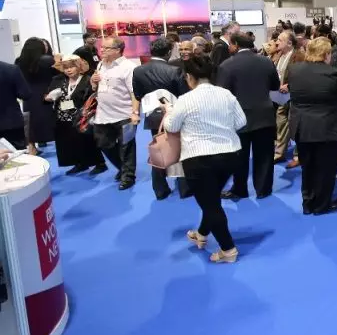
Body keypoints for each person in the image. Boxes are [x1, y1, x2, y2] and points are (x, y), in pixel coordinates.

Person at [162, 55, 247, 264]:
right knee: (211, 199)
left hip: (199, 158)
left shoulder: (185, 99)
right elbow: (241, 122)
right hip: (231, 154)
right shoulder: (226, 94)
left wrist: (168, 111)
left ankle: (228, 250)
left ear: (189, 77)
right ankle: (201, 234)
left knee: (210, 205)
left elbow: (172, 126)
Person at [287, 37, 337, 215]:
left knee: (307, 167)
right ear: (326, 54)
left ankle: (308, 203)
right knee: (326, 169)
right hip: (328, 128)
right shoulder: (333, 73)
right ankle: (321, 205)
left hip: (302, 127)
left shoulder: (294, 70)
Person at [217, 33, 281, 200]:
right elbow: (275, 85)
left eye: (230, 44)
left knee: (239, 157)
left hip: (238, 118)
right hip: (265, 115)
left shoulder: (226, 65)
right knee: (265, 155)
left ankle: (240, 189)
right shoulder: (266, 61)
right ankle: (263, 189)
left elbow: (221, 94)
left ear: (236, 45)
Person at [132, 37, 189, 199]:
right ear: (169, 52)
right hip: (175, 114)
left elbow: (138, 94)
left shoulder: (138, 71)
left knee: (158, 149)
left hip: (153, 117)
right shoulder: (175, 71)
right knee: (180, 150)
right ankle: (184, 188)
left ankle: (160, 189)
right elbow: (184, 95)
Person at [91, 37, 139, 190]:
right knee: (104, 144)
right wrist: (93, 82)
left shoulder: (129, 67)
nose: (102, 50)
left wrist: (135, 112)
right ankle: (123, 168)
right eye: (102, 47)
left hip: (125, 115)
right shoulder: (100, 64)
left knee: (127, 147)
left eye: (106, 48)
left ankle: (128, 176)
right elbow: (96, 88)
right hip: (102, 115)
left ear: (117, 50)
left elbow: (134, 92)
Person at [47, 56, 105, 175]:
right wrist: (50, 97)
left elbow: (92, 97)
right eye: (66, 68)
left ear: (79, 67)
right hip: (63, 116)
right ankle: (79, 164)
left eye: (72, 67)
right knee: (70, 142)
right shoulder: (59, 80)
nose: (68, 70)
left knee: (87, 141)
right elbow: (48, 97)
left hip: (82, 116)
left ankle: (99, 163)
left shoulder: (87, 80)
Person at [17, 38, 57, 156]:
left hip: (28, 96)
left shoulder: (19, 62)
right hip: (46, 93)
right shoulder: (47, 60)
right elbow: (57, 75)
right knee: (51, 120)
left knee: (30, 123)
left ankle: (32, 147)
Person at [273, 30, 303, 167]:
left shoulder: (299, 56)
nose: (276, 42)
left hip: (294, 95)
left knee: (296, 125)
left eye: (280, 40)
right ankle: (279, 153)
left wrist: (289, 86)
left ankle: (298, 155)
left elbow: (302, 76)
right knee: (281, 123)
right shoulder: (278, 55)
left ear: (289, 43)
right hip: (280, 96)